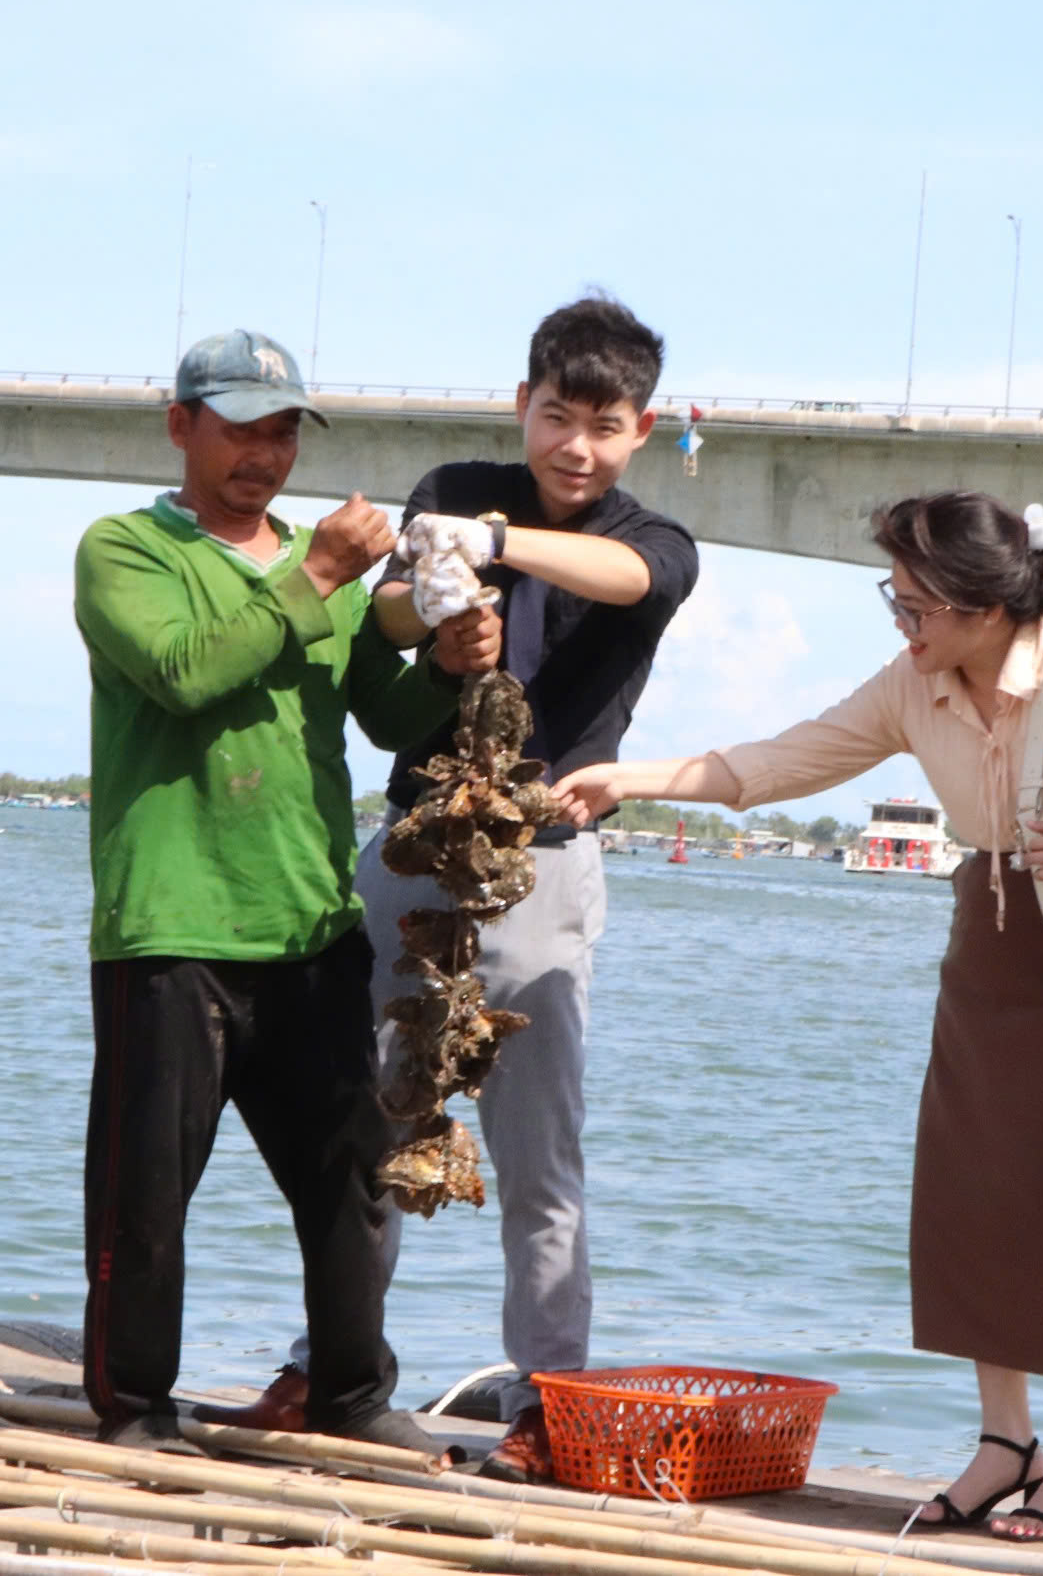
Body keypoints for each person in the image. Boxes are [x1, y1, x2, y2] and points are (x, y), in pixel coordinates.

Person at [551, 492, 1043, 1540]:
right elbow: (779, 760)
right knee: (968, 1191)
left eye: (916, 607)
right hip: (985, 941)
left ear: (983, 603)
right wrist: (626, 780)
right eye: (896, 603)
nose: (902, 626)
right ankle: (1006, 1443)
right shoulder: (913, 684)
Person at [215, 294, 698, 1484]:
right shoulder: (455, 479)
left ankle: (549, 1400)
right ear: (519, 406)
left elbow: (630, 578)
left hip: (539, 859)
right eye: (554, 417)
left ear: (641, 429)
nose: (574, 446)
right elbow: (376, 619)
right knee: (364, 1120)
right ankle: (328, 1368)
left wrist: (486, 544)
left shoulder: (652, 539)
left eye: (603, 424)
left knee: (539, 1158)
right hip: (410, 845)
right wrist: (423, 607)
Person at [74, 328, 501, 1455]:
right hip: (169, 928)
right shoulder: (122, 551)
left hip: (309, 926)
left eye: (280, 431)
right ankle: (132, 1407)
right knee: (146, 1196)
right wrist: (312, 571)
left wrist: (449, 673)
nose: (261, 454)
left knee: (353, 1182)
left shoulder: (338, 582)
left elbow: (388, 720)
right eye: (238, 428)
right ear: (181, 427)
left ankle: (354, 1396)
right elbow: (181, 675)